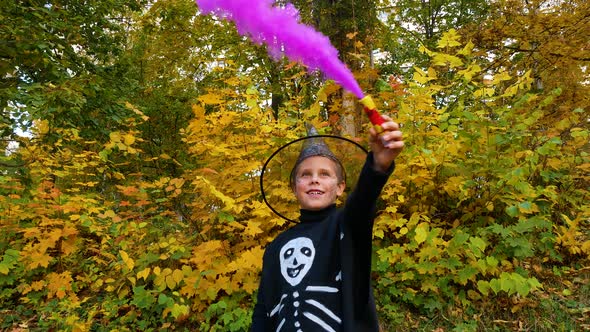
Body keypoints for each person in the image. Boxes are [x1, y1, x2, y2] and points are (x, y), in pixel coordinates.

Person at [252, 116, 404, 331]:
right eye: (305, 174)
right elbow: (263, 309)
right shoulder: (276, 246)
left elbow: (362, 200)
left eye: (325, 174)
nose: (315, 179)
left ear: (340, 187)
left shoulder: (346, 225)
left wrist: (377, 166)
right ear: (294, 188)